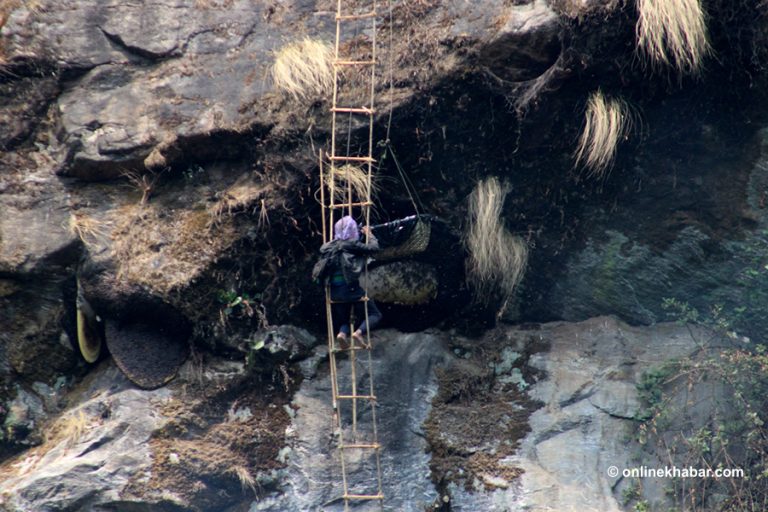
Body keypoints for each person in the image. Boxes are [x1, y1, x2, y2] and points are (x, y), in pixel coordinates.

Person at [313, 215, 383, 348]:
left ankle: (342, 334)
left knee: (346, 319)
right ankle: (358, 333)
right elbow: (374, 248)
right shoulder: (350, 244)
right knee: (375, 314)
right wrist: (369, 234)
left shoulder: (327, 246)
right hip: (350, 290)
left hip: (333, 292)